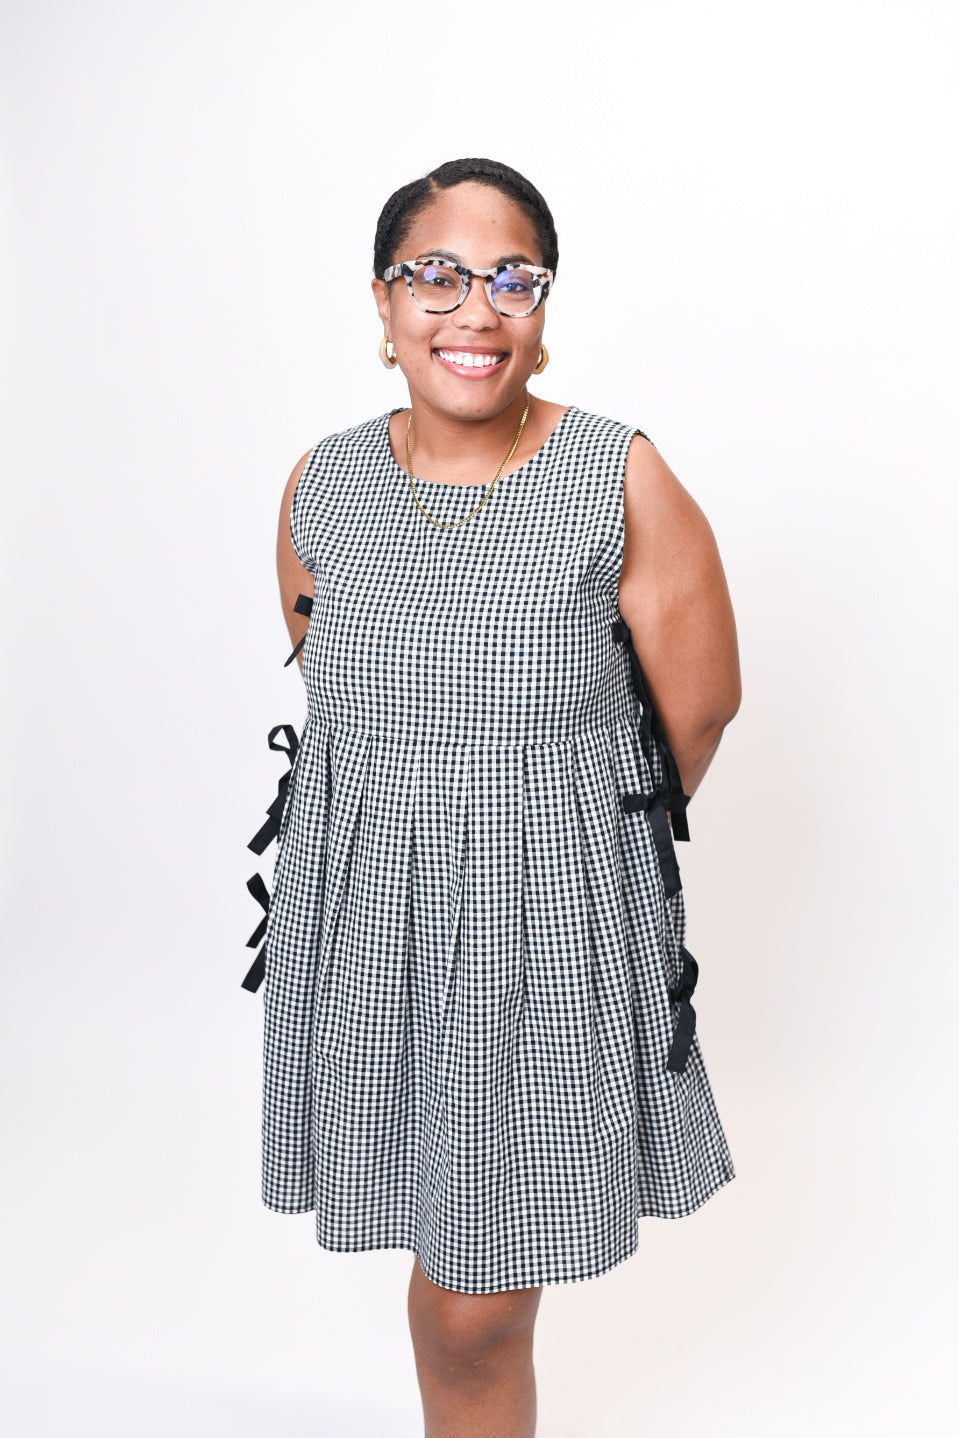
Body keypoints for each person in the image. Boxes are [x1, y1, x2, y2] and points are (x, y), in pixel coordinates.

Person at [245, 157, 742, 1438]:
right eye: (437, 275)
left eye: (512, 278)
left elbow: (695, 714)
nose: (475, 309)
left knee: (473, 1305)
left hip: (541, 937)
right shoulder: (320, 482)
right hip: (367, 935)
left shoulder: (616, 474)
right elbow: (346, 725)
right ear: (382, 299)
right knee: (444, 1269)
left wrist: (545, 845)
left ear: (542, 304)